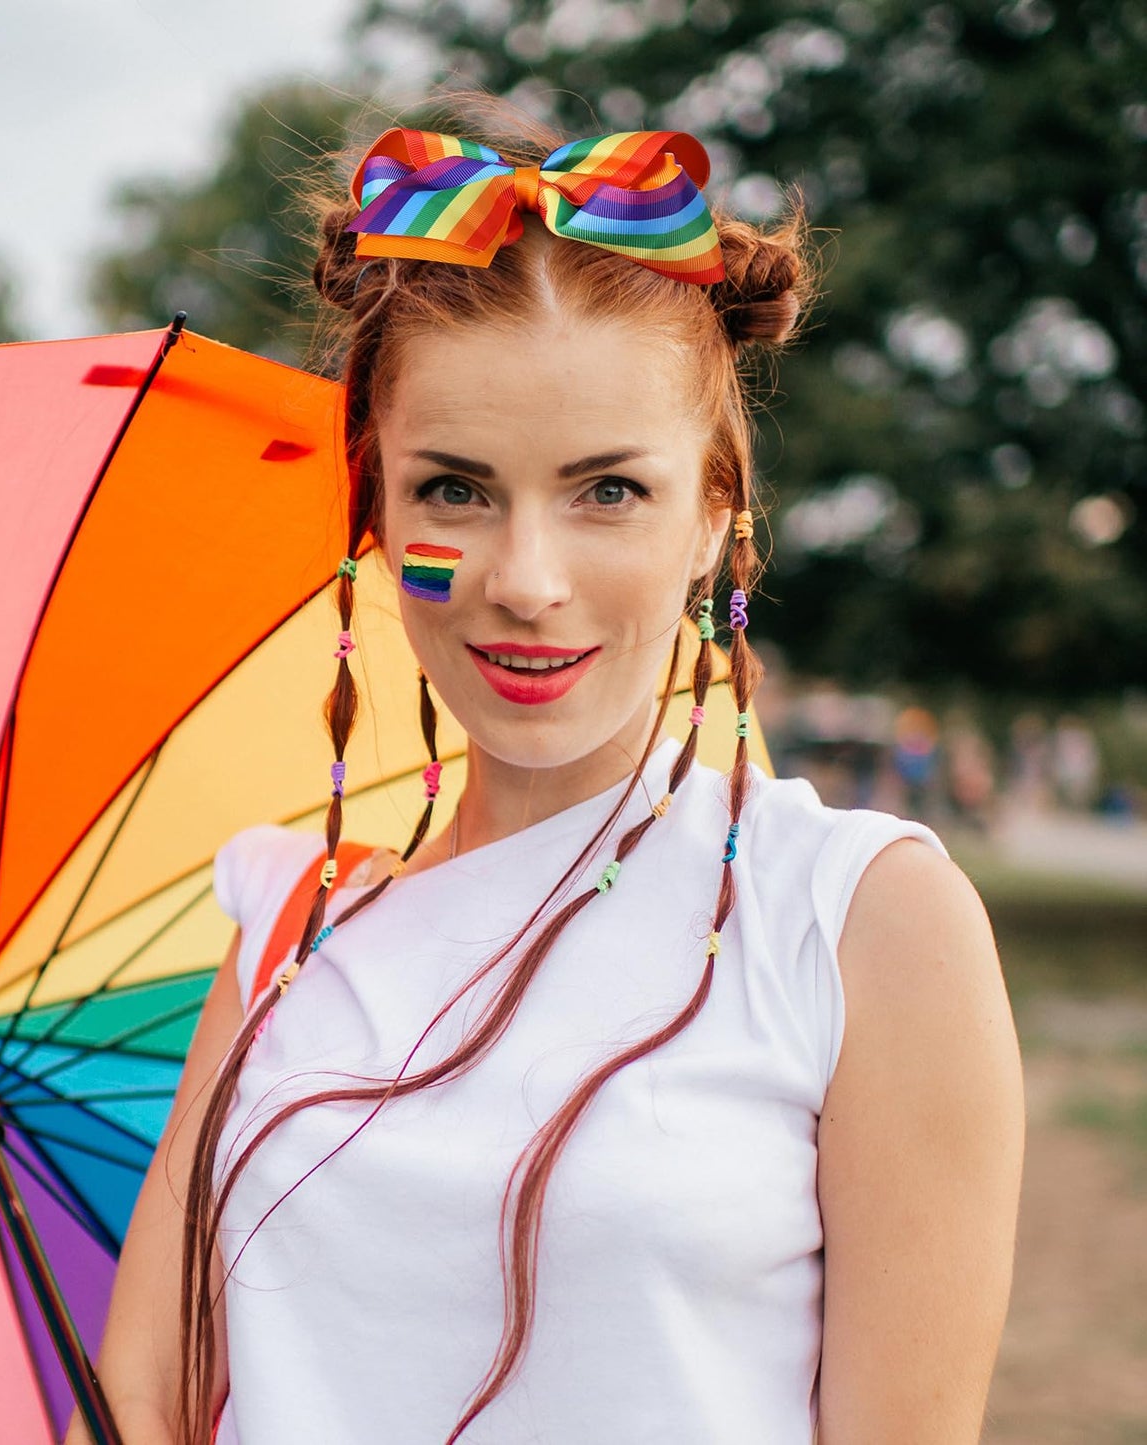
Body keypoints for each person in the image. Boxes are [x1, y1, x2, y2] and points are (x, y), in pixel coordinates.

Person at [70, 105, 1024, 1445]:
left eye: (607, 492)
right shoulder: (287, 934)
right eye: (453, 491)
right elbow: (140, 1409)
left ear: (712, 512)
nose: (525, 581)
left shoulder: (857, 923)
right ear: (376, 509)